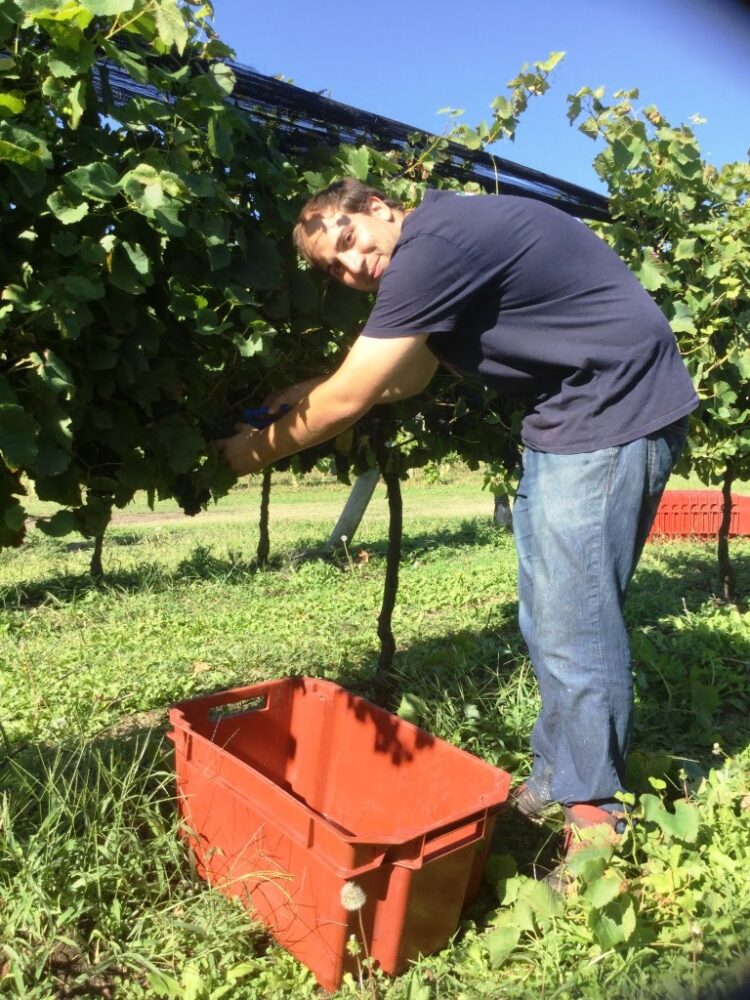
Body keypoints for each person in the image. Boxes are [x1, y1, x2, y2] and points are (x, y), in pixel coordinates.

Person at [216, 178, 698, 863]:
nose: (351, 267)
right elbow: (402, 379)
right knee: (549, 615)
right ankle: (558, 777)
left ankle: (597, 822)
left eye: (349, 241)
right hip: (569, 421)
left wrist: (239, 456)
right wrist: (302, 393)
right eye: (334, 266)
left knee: (576, 621)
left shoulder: (433, 247)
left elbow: (353, 396)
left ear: (380, 208)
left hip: (609, 415)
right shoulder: (439, 251)